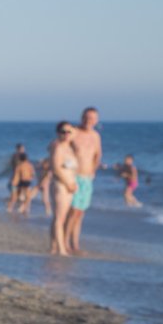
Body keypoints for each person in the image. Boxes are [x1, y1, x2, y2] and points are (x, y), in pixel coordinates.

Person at [66, 107, 101, 254]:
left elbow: (98, 155)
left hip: (87, 179)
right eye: (86, 117)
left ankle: (75, 245)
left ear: (96, 120)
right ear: (81, 118)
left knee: (80, 214)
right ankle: (64, 243)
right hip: (74, 177)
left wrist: (94, 170)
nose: (89, 120)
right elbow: (61, 148)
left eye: (92, 118)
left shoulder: (96, 136)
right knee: (73, 212)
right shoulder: (74, 133)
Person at [49, 121, 79, 256]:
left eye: (69, 132)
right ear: (58, 133)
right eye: (63, 132)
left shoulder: (71, 148)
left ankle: (54, 247)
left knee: (61, 217)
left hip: (70, 186)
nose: (66, 134)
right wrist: (67, 183)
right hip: (61, 185)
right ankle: (61, 249)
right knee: (59, 218)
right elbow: (55, 168)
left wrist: (73, 183)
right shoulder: (58, 147)